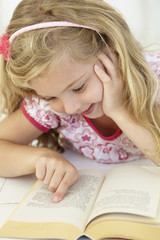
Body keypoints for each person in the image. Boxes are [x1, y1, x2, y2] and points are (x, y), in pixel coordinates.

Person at [0, 0, 160, 203]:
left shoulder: (154, 80)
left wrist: (119, 111)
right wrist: (40, 158)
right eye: (51, 97)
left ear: (112, 49)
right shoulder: (49, 106)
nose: (70, 108)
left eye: (79, 87)